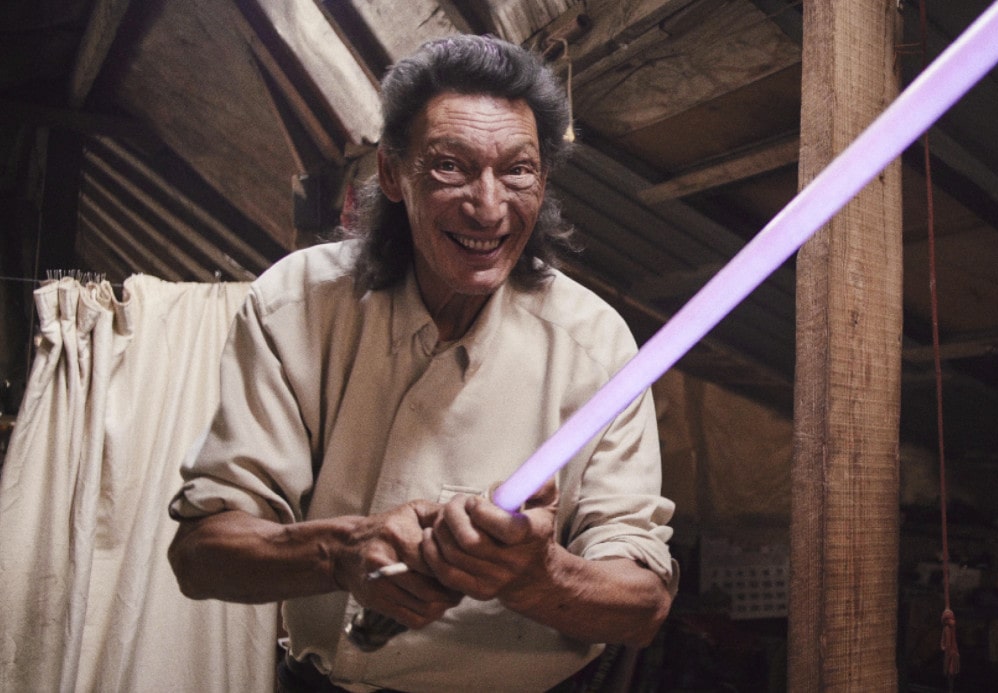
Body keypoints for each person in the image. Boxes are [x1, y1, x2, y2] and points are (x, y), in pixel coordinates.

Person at [167, 34, 676, 692]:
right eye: (450, 166)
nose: (488, 207)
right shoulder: (300, 305)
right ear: (392, 173)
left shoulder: (596, 345)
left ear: (543, 179)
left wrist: (537, 576)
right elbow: (200, 553)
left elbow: (644, 606)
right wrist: (341, 551)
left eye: (517, 170)